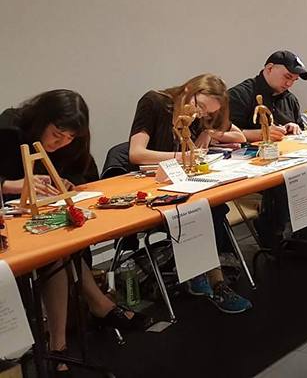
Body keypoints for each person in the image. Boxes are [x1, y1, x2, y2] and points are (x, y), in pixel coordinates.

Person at [0, 91, 152, 374]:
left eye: (69, 138)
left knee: (61, 245)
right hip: (11, 221)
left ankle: (61, 343)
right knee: (55, 250)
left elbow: (84, 174)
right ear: (42, 119)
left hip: (44, 220)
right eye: (57, 135)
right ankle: (95, 309)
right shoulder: (9, 128)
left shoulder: (73, 142)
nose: (61, 143)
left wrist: (69, 183)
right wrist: (11, 184)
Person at [127, 74, 252, 313]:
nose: (201, 114)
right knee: (206, 209)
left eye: (208, 113)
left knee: (214, 205)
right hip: (153, 187)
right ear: (188, 90)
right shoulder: (155, 103)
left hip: (186, 184)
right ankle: (213, 280)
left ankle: (207, 276)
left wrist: (210, 132)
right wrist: (184, 157)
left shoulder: (201, 117)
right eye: (200, 106)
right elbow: (136, 153)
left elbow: (240, 136)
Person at [228, 50, 307, 248]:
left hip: (288, 158)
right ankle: (276, 237)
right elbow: (222, 134)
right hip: (249, 163)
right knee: (284, 181)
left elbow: (299, 128)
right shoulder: (240, 95)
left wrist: (294, 127)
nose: (289, 84)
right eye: (287, 77)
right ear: (269, 68)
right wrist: (261, 134)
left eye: (294, 80)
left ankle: (305, 230)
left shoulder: (289, 99)